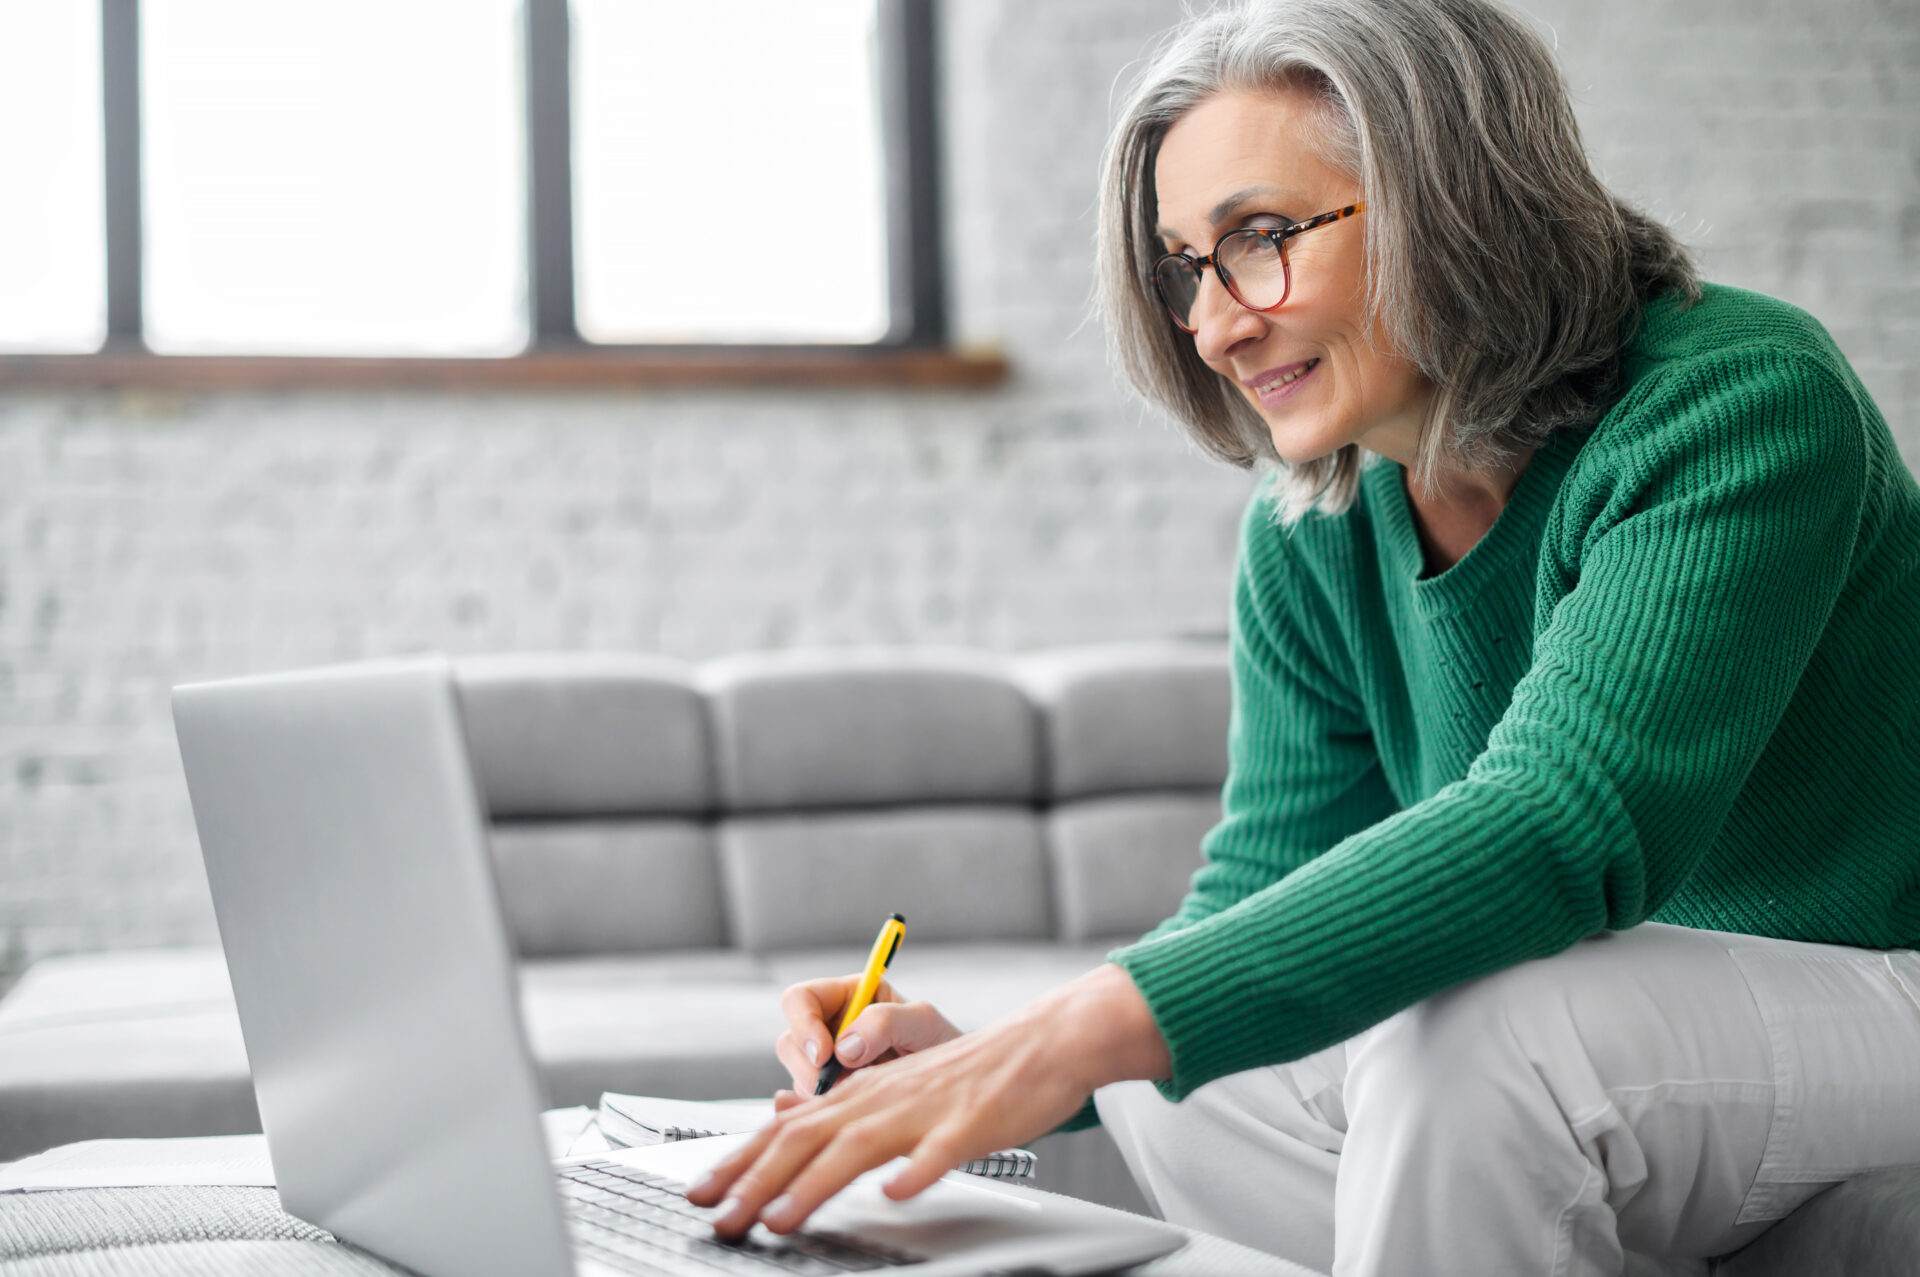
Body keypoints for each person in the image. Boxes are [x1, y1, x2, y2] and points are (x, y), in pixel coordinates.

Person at [685, 0, 1920, 1271]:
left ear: (1459, 196)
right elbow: (1254, 896)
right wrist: (992, 1064)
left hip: (1879, 977)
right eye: (1184, 268)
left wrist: (1073, 1032)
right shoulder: (1315, 521)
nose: (1217, 325)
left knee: (1475, 1034)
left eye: (1260, 239)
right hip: (1638, 1027)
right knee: (1191, 1073)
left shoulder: (1738, 399)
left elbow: (1567, 819)